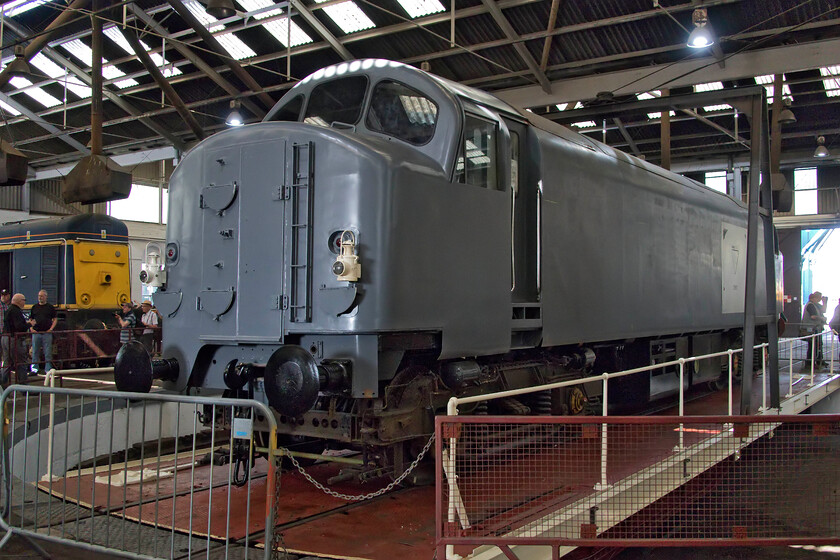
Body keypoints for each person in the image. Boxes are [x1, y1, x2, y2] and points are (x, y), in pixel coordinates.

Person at [29, 289, 57, 375]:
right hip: (36, 332)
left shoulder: (50, 307)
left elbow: (55, 319)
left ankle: (48, 369)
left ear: (46, 297)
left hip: (46, 333)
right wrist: (31, 328)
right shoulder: (34, 307)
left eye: (41, 296)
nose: (40, 298)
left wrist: (51, 329)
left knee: (47, 352)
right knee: (35, 352)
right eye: (39, 296)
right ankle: (34, 369)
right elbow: (30, 319)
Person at [4, 293, 29, 384]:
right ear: (19, 301)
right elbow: (19, 327)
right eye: (24, 300)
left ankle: (2, 384)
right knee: (21, 362)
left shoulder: (9, 310)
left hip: (6, 338)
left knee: (7, 363)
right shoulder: (16, 311)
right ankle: (24, 386)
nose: (24, 302)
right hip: (14, 339)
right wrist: (29, 324)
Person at [802, 291, 827, 366]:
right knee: (813, 345)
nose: (819, 300)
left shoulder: (815, 305)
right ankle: (810, 362)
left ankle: (819, 360)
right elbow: (813, 316)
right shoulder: (810, 305)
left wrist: (825, 303)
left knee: (817, 345)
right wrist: (822, 318)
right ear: (814, 298)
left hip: (816, 328)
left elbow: (823, 310)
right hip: (812, 329)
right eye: (818, 298)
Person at [0, 289, 10, 384]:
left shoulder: (8, 307)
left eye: (5, 295)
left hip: (4, 333)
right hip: (2, 333)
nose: (4, 296)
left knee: (6, 356)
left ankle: (3, 379)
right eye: (3, 295)